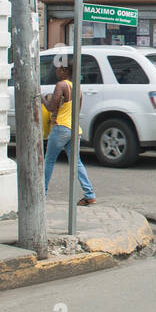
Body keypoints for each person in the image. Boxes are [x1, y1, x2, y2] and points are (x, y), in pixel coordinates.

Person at [42, 56, 96, 206]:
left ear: (64, 70)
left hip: (61, 128)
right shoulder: (76, 86)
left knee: (49, 160)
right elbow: (76, 110)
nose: (56, 72)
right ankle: (89, 193)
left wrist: (42, 99)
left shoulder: (61, 85)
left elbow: (51, 107)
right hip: (74, 129)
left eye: (58, 69)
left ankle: (42, 193)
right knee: (76, 162)